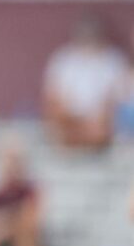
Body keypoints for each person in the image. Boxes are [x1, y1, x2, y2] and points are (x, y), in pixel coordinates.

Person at [41, 14, 127, 151]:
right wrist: (77, 123)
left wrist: (97, 124)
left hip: (101, 126)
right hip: (70, 124)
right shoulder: (63, 60)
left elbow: (119, 101)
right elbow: (52, 100)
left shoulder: (113, 61)